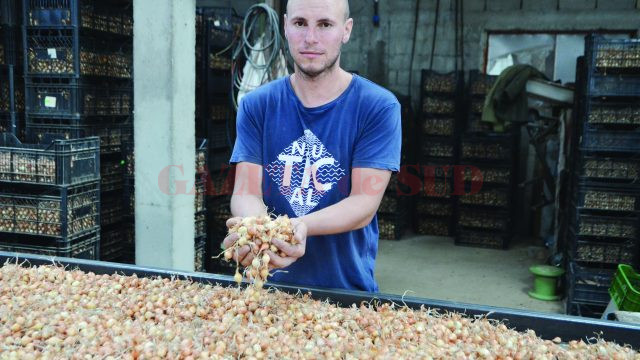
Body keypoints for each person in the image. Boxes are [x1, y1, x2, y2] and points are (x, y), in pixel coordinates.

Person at [223, 0, 401, 292]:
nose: (310, 38)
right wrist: (254, 228)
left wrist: (298, 227)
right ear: (285, 26)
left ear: (346, 30)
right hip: (266, 291)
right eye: (300, 23)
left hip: (345, 293)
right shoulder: (257, 106)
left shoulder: (377, 107)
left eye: (325, 25)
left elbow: (364, 203)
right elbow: (246, 191)